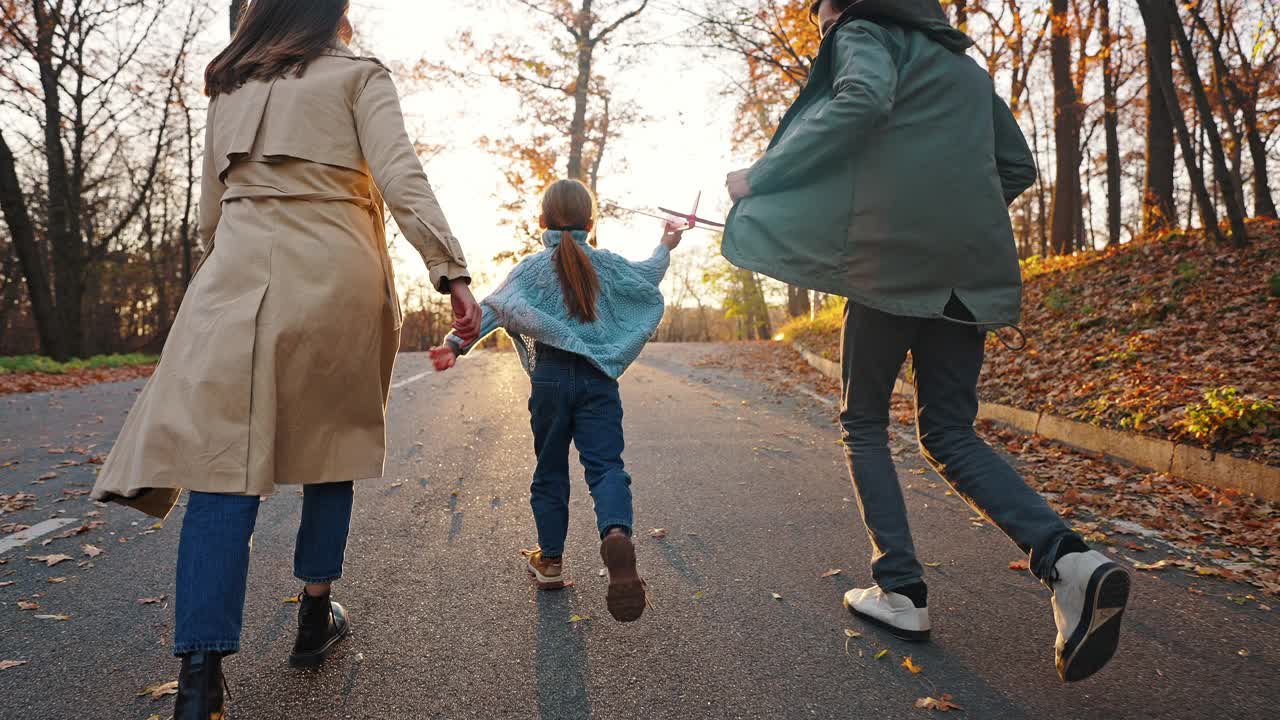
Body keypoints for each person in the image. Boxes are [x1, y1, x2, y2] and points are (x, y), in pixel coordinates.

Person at [89, 1, 481, 716]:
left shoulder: (229, 87)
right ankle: (313, 613)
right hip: (336, 274)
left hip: (235, 276)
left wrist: (221, 277)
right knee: (332, 445)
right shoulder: (360, 77)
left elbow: (210, 212)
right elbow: (401, 176)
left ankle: (200, 679)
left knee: (220, 466)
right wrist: (450, 272)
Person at [721, 0, 1130, 683]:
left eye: (822, 11)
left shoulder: (864, 32)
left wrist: (758, 177)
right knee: (949, 430)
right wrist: (947, 215)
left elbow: (858, 100)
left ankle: (902, 591)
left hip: (888, 266)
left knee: (863, 422)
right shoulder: (965, 68)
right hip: (966, 271)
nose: (822, 23)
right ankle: (1072, 563)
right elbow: (1016, 167)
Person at [430, 179, 682, 623]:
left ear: (542, 222)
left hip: (549, 380)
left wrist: (454, 344)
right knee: (606, 467)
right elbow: (647, 275)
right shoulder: (606, 264)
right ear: (590, 223)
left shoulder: (530, 270)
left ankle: (550, 562)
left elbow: (490, 310)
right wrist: (666, 241)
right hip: (597, 380)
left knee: (549, 470)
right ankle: (616, 534)